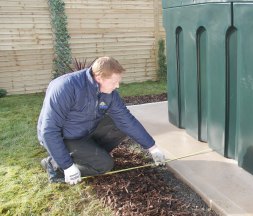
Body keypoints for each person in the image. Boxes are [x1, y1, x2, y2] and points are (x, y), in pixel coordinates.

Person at [37, 56, 166, 185]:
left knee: (119, 124)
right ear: (99, 78)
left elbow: (126, 120)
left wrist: (152, 147)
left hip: (84, 131)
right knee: (104, 165)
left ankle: (88, 154)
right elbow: (49, 131)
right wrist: (67, 166)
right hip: (65, 137)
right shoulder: (65, 88)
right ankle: (54, 166)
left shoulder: (108, 93)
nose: (118, 86)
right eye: (114, 82)